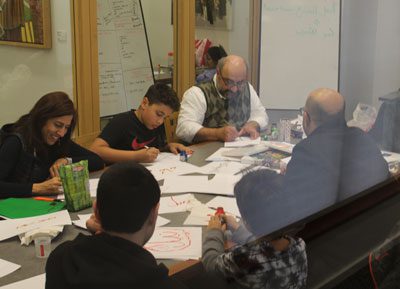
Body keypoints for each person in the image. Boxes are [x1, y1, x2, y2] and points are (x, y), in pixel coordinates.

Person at [45, 161, 188, 289]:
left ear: (96, 210)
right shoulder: (159, 282)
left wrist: (102, 237)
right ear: (154, 214)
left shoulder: (61, 260)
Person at [282, 88, 390, 220]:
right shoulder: (361, 137)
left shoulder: (306, 150)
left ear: (306, 118)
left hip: (336, 232)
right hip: (375, 222)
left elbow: (289, 204)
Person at [202, 169, 307, 289]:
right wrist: (237, 230)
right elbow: (265, 245)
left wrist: (213, 232)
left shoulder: (244, 259)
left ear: (246, 222)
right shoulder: (299, 246)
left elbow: (212, 264)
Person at [0, 91, 104, 198]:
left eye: (66, 127)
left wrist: (66, 160)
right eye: (57, 125)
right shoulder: (16, 141)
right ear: (42, 119)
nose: (62, 133)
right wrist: (37, 188)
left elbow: (97, 161)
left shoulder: (59, 140)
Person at [90, 83, 192, 164]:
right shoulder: (121, 122)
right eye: (159, 114)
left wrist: (168, 147)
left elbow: (155, 147)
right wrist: (135, 156)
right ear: (144, 103)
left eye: (165, 117)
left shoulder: (155, 124)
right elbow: (95, 150)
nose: (160, 121)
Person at [176, 55, 268, 143]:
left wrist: (253, 124)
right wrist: (217, 134)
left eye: (240, 83)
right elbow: (183, 128)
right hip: (204, 152)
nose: (234, 89)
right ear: (218, 74)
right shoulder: (197, 93)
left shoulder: (247, 88)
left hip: (238, 150)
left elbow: (261, 114)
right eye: (229, 82)